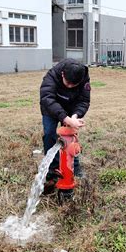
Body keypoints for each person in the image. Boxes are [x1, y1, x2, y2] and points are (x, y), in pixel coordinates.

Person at [39, 58, 91, 194]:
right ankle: (54, 168)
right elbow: (47, 98)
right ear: (62, 74)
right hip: (51, 108)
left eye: (74, 85)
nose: (69, 87)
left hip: (71, 108)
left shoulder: (83, 77)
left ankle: (74, 165)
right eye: (67, 83)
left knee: (70, 136)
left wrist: (75, 116)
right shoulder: (52, 75)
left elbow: (84, 100)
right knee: (50, 133)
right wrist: (65, 118)